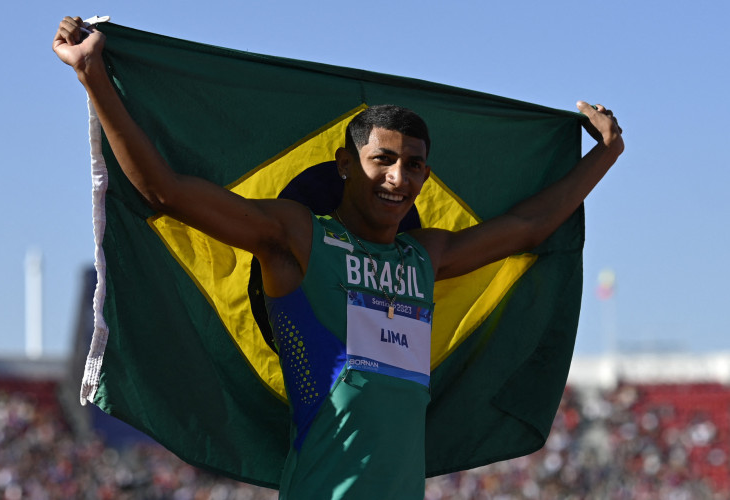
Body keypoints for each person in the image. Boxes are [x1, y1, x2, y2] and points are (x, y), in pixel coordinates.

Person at [54, 16, 624, 500]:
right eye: (383, 160)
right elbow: (166, 193)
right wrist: (93, 76)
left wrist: (604, 155)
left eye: (415, 165)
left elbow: (528, 226)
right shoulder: (298, 237)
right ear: (346, 163)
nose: (399, 178)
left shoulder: (423, 256)